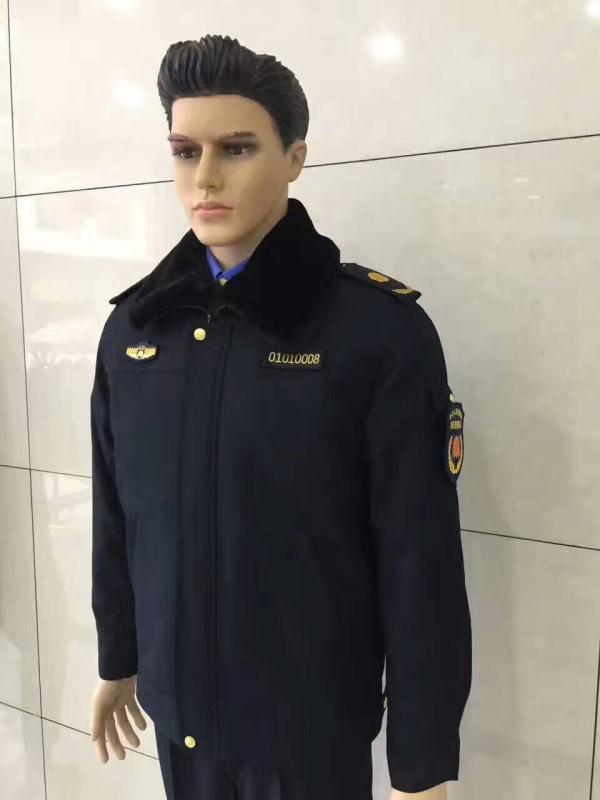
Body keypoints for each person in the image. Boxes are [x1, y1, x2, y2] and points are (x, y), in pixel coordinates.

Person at [88, 34, 471, 800]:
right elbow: (116, 520)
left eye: (236, 148)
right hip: (180, 724)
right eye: (185, 151)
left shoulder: (375, 335)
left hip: (309, 739)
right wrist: (119, 659)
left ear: (294, 157)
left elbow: (419, 563)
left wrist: (422, 763)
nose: (204, 178)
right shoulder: (135, 331)